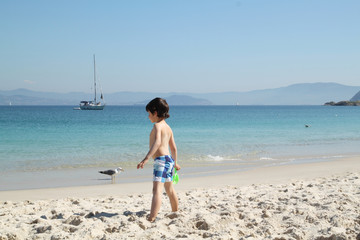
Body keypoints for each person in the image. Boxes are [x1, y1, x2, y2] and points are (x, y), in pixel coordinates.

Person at [137, 97, 181, 222]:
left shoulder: (157, 126)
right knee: (170, 189)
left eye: (149, 114)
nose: (148, 116)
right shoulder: (168, 127)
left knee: (157, 190)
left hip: (161, 161)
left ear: (155, 113)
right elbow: (174, 148)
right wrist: (175, 163)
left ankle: (152, 217)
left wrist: (146, 159)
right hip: (169, 161)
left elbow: (157, 143)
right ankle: (175, 212)